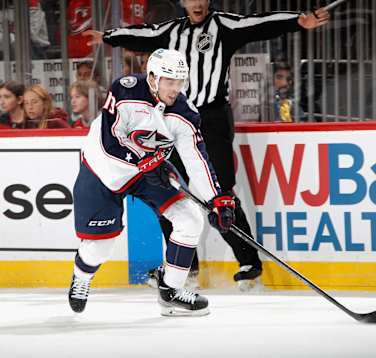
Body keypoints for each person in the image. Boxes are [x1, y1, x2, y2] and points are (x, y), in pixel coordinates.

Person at [84, 0, 330, 290]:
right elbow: (144, 34)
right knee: (167, 191)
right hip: (171, 120)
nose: (197, 2)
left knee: (220, 190)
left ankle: (249, 263)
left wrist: (298, 21)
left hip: (211, 119)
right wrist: (109, 36)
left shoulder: (224, 25)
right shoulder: (172, 30)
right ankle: (185, 269)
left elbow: (259, 23)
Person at [68, 48, 235, 316]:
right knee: (99, 247)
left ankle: (170, 291)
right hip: (105, 169)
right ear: (154, 78)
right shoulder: (125, 91)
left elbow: (196, 159)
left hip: (149, 170)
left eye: (180, 82)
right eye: (170, 81)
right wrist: (143, 163)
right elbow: (110, 141)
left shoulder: (185, 113)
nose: (175, 89)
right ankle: (81, 278)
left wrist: (216, 199)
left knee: (190, 219)